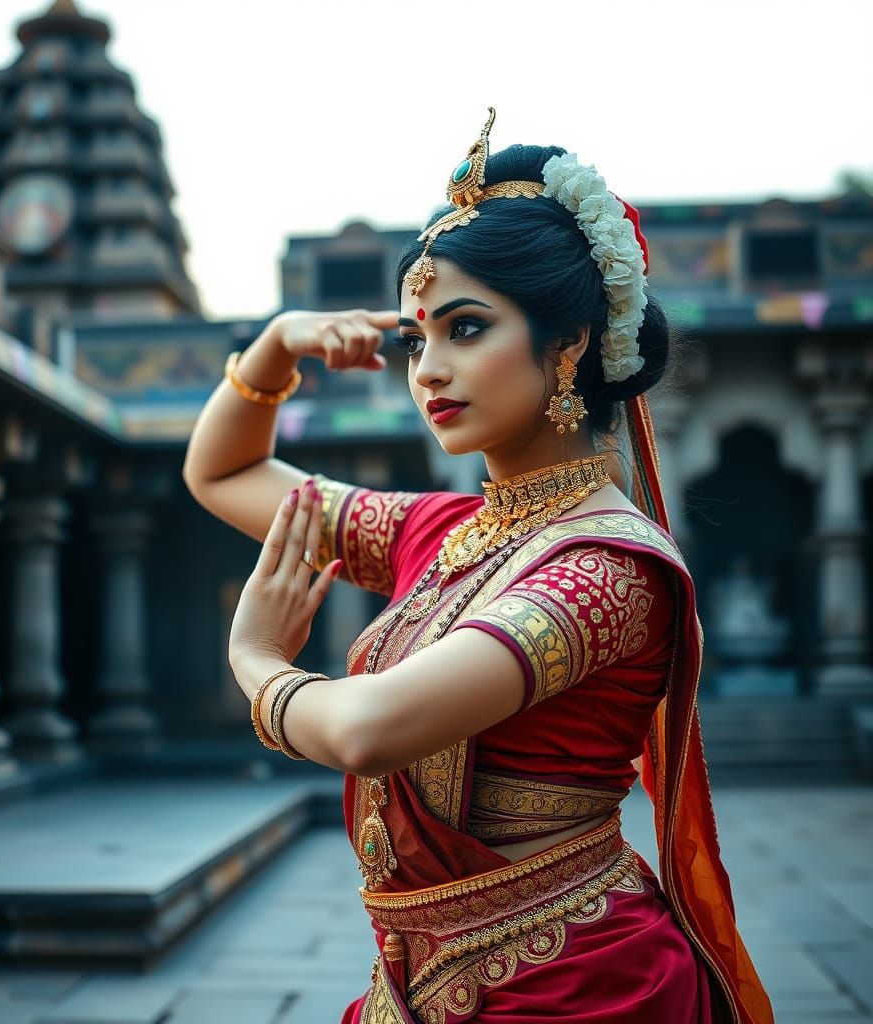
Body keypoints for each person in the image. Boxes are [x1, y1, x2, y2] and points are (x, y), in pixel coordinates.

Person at [183, 110, 773, 1024]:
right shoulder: (446, 529)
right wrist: (276, 348)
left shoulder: (607, 571)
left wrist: (258, 662)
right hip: (414, 979)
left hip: (577, 984)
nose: (428, 370)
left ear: (568, 343)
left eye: (465, 328)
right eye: (417, 339)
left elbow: (371, 730)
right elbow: (221, 472)